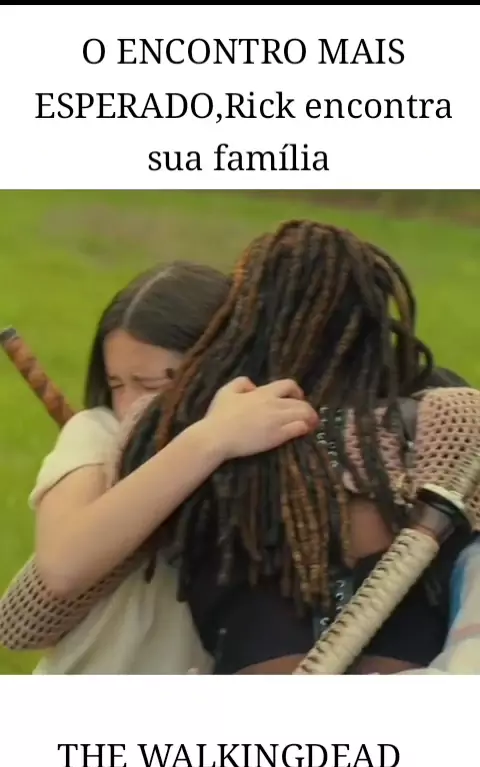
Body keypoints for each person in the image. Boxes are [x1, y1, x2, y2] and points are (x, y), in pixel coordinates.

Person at [113, 220, 479, 676]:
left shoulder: (174, 425)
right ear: (374, 317)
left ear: (243, 315)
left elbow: (44, 605)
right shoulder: (445, 420)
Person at [0, 259, 318, 674]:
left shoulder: (273, 448)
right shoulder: (98, 434)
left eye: (151, 385)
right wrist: (210, 439)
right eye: (116, 384)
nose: (130, 404)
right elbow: (61, 567)